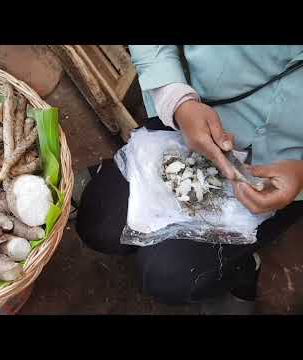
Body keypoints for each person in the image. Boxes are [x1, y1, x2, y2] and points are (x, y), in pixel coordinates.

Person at [73, 45, 303, 314]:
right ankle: (118, 167)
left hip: (283, 178)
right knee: (97, 224)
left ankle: (241, 269)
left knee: (168, 276)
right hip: (190, 120)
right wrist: (177, 99)